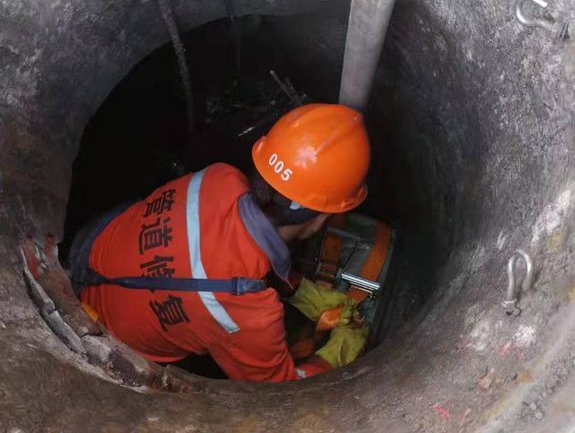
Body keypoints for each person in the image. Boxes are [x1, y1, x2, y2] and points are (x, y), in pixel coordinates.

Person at [70, 103, 371, 383]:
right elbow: (279, 389)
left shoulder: (219, 176)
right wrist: (336, 354)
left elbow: (227, 254)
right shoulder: (248, 315)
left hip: (90, 249)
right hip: (109, 339)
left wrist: (300, 291)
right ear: (320, 220)